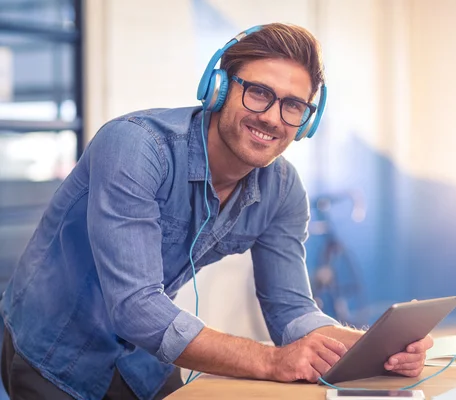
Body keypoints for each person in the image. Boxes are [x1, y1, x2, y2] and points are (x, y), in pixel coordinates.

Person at [0, 23, 433, 400]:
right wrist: (270, 361)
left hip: (141, 360)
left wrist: (370, 346)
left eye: (293, 105)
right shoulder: (135, 147)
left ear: (306, 120)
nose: (272, 118)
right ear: (219, 88)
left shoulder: (282, 190)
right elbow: (134, 306)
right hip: (55, 348)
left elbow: (290, 310)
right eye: (259, 93)